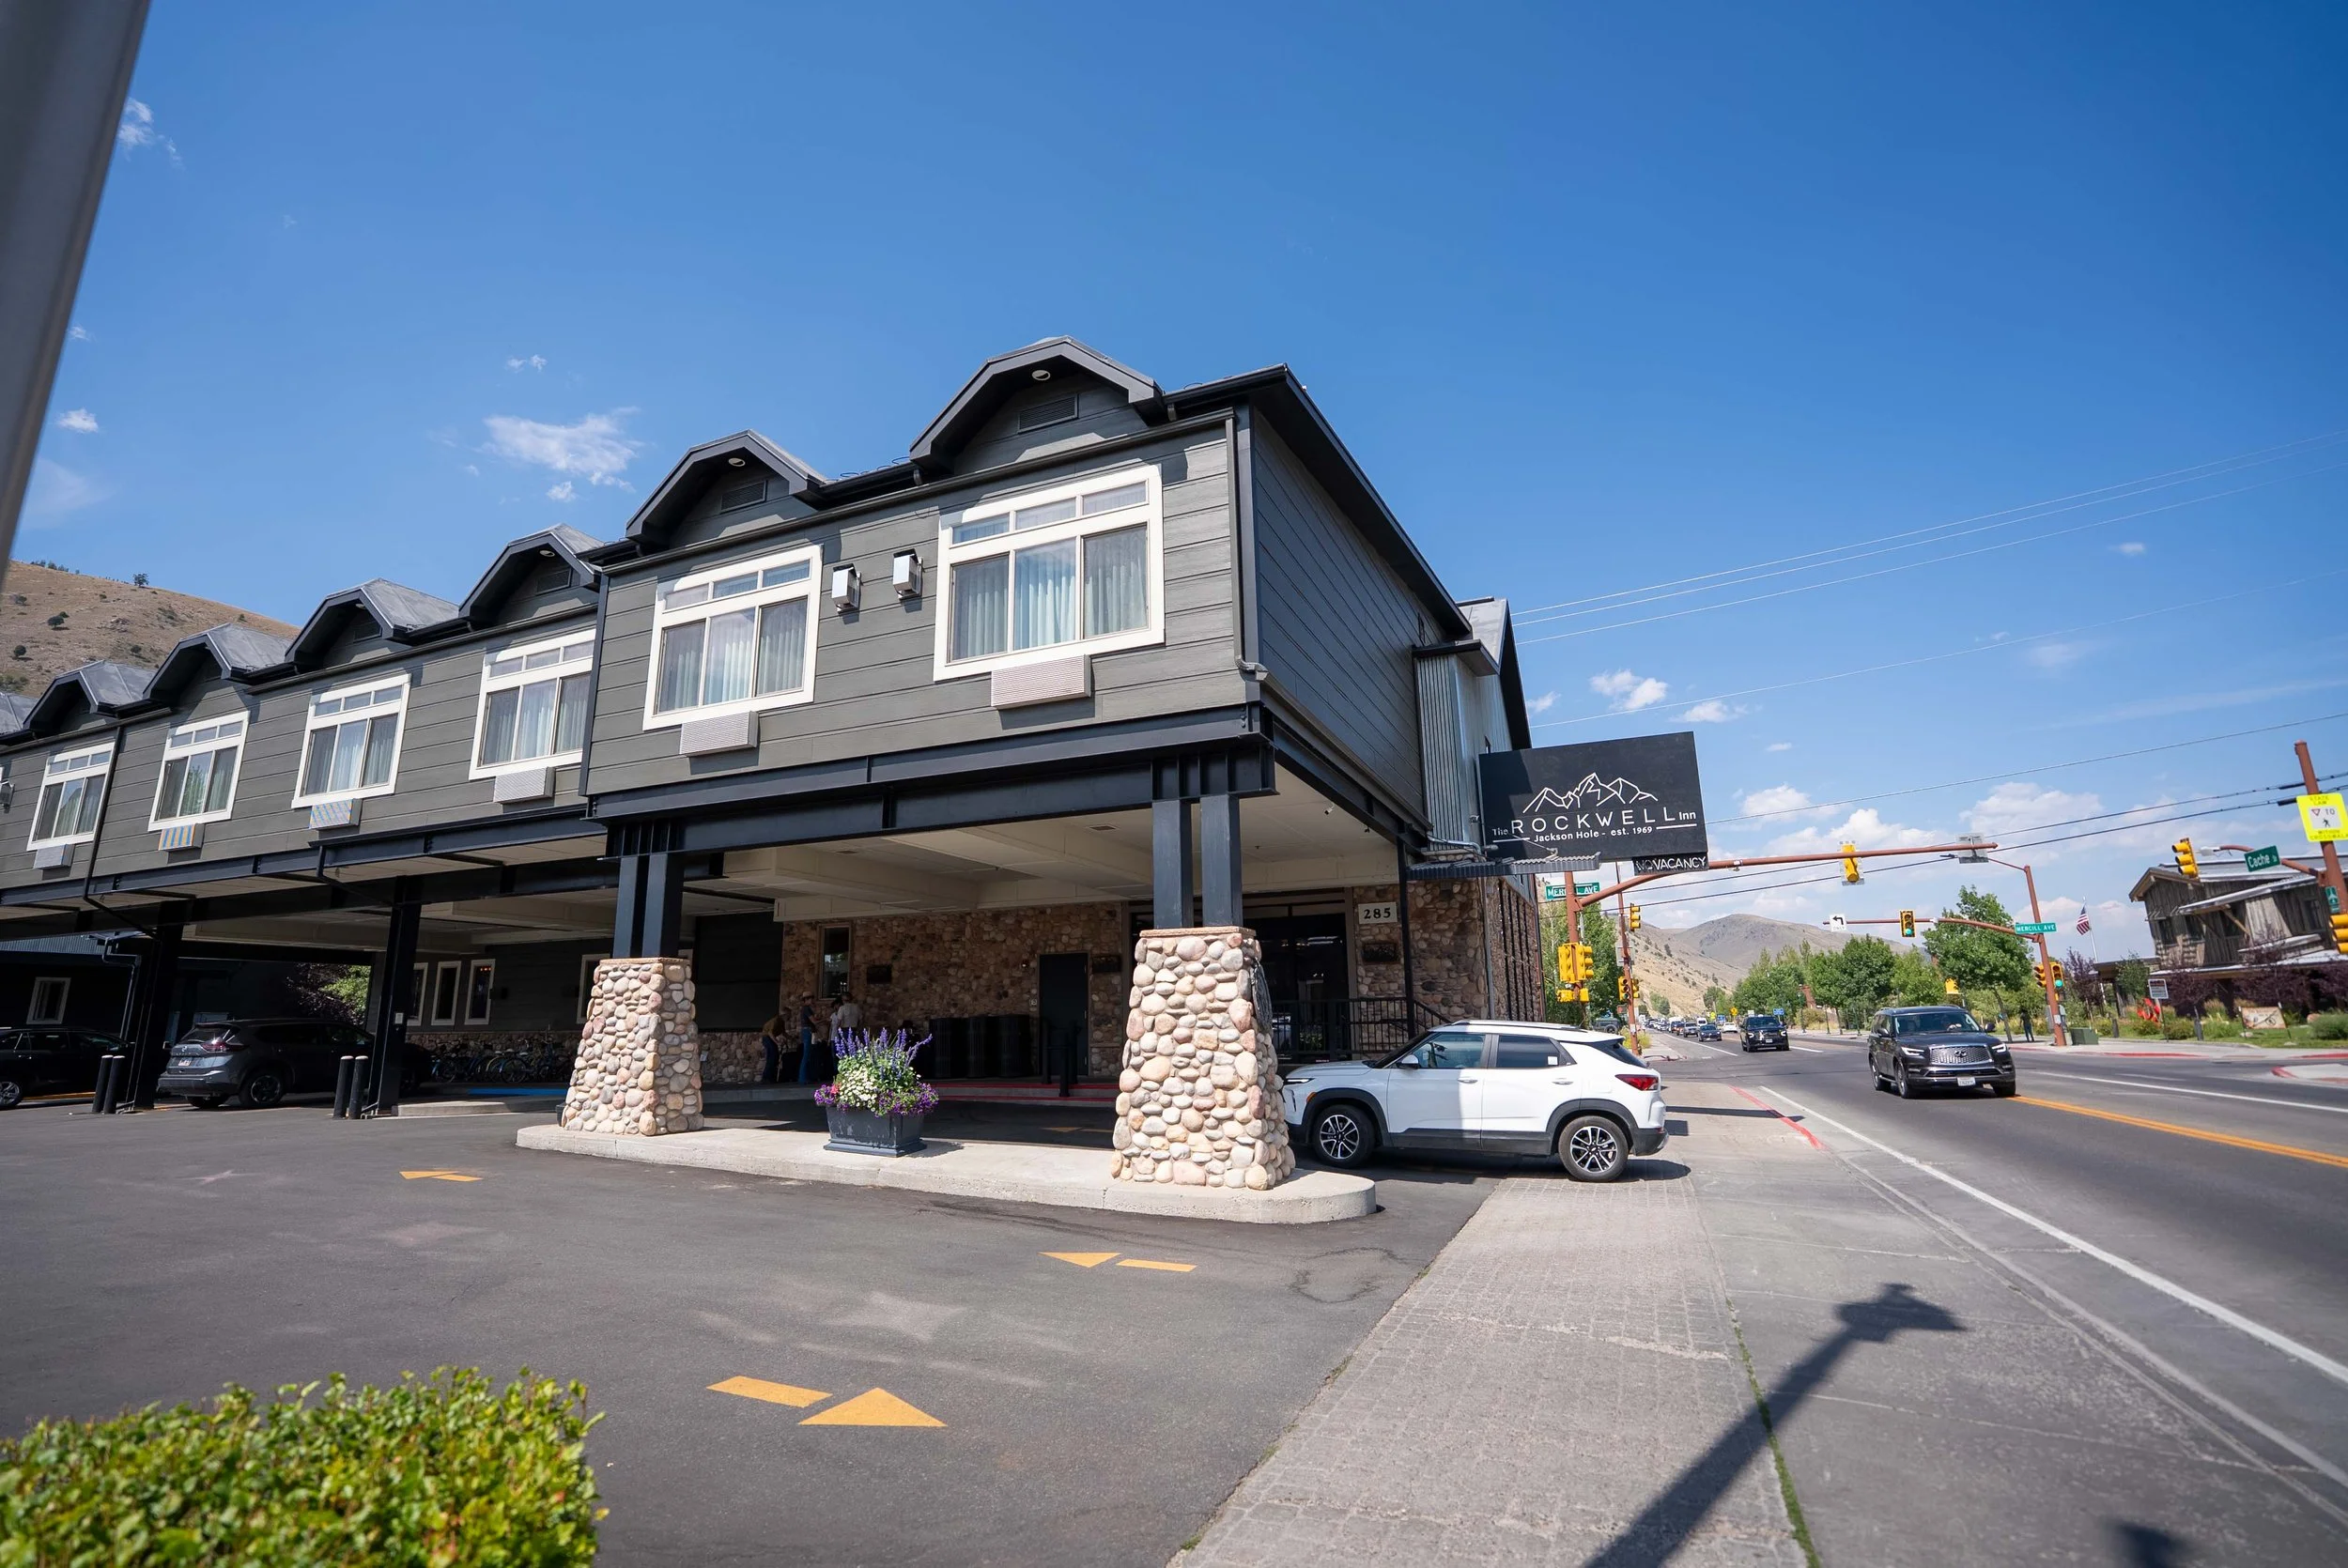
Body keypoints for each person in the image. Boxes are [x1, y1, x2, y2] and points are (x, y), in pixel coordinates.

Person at [795, 994, 818, 1084]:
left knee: (809, 1054)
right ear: (806, 999)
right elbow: (814, 1021)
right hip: (808, 1031)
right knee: (807, 1054)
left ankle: (806, 1077)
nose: (812, 1000)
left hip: (807, 1031)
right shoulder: (806, 1009)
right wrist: (824, 1021)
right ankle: (803, 1078)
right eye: (811, 998)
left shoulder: (805, 1009)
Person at [758, 1013, 785, 1084]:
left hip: (770, 1038)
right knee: (772, 1057)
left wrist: (792, 1038)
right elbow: (770, 1033)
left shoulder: (782, 1022)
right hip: (767, 1038)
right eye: (789, 1015)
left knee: (775, 1057)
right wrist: (777, 1042)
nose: (790, 1017)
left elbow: (784, 1033)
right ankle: (766, 1077)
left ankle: (772, 1077)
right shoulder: (776, 1021)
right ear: (784, 1015)